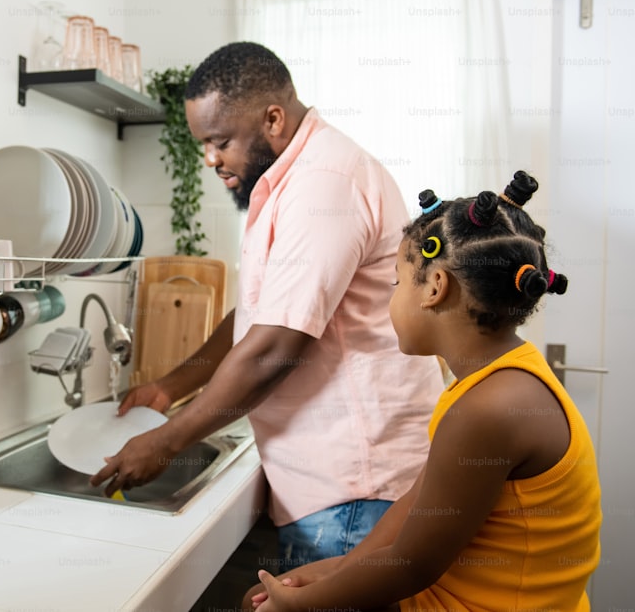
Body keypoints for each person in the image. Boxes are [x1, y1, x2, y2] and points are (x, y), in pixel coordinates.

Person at [90, 42, 444, 567]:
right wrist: (171, 387)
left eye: (221, 141)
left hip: (355, 488)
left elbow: (274, 348)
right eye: (203, 144)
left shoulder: (324, 184)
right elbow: (260, 317)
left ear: (273, 119)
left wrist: (167, 442)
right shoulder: (291, 182)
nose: (210, 159)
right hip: (332, 482)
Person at [246, 171, 602, 611]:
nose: (390, 299)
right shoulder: (492, 382)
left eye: (397, 282)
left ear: (435, 288)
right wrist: (340, 566)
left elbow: (411, 565)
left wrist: (299, 604)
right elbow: (419, 500)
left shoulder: (489, 409)